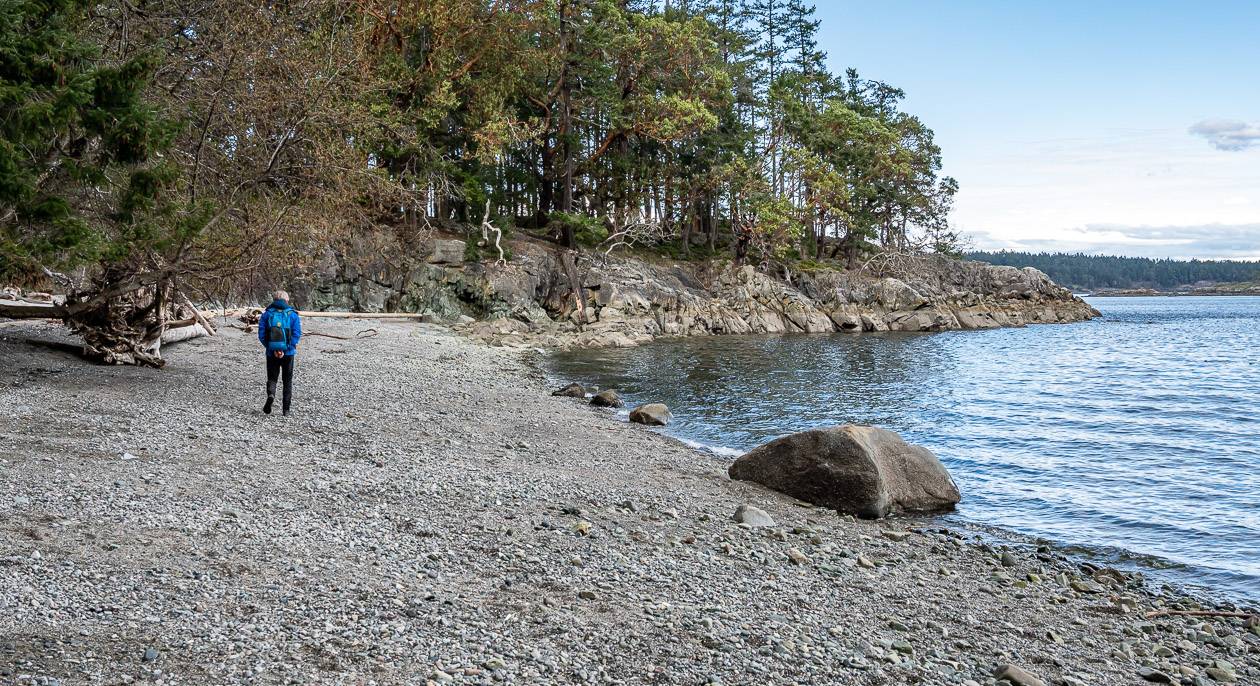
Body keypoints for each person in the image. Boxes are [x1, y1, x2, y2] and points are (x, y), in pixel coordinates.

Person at [257, 290, 302, 416]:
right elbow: (297, 334)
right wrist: (285, 349)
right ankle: (286, 410)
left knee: (272, 378)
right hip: (288, 354)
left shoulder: (267, 314)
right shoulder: (293, 315)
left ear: (274, 300)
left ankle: (271, 394)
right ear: (286, 300)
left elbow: (261, 335)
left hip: (271, 353)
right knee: (287, 380)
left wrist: (272, 348)